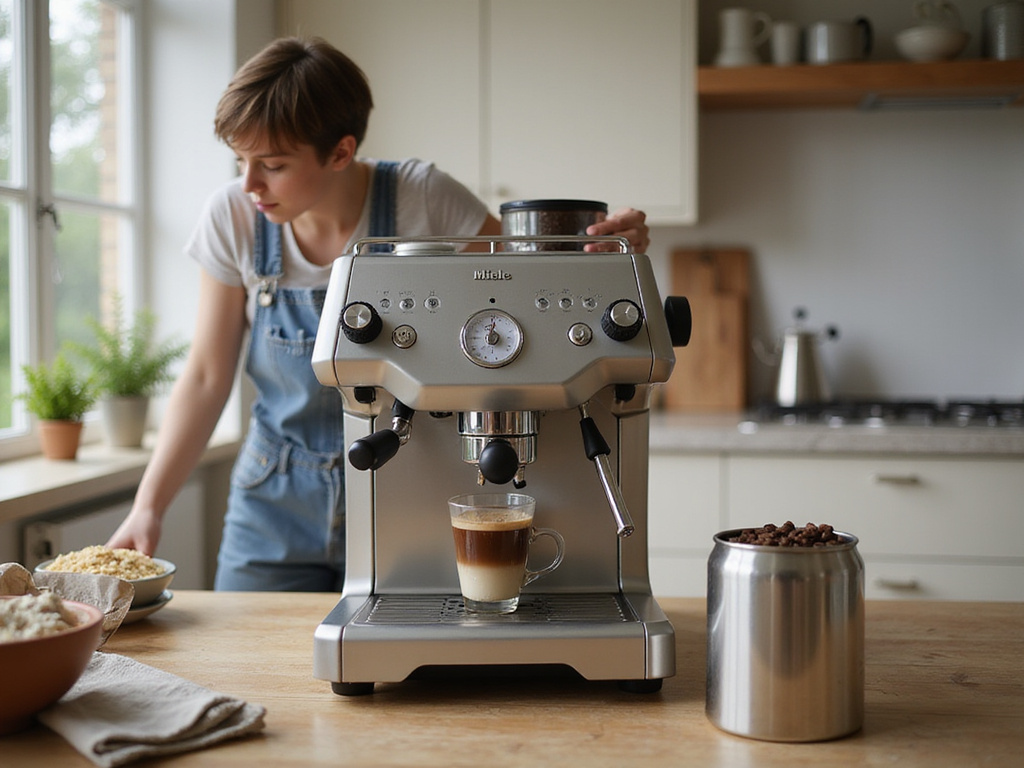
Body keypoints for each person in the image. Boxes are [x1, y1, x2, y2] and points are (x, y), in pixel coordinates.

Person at [106, 37, 651, 592]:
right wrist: (148, 507)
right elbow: (204, 375)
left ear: (341, 152)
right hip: (270, 506)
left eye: (271, 165)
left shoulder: (423, 197)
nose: (249, 185)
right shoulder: (233, 217)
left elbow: (530, 282)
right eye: (241, 161)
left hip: (405, 488)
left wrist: (609, 256)